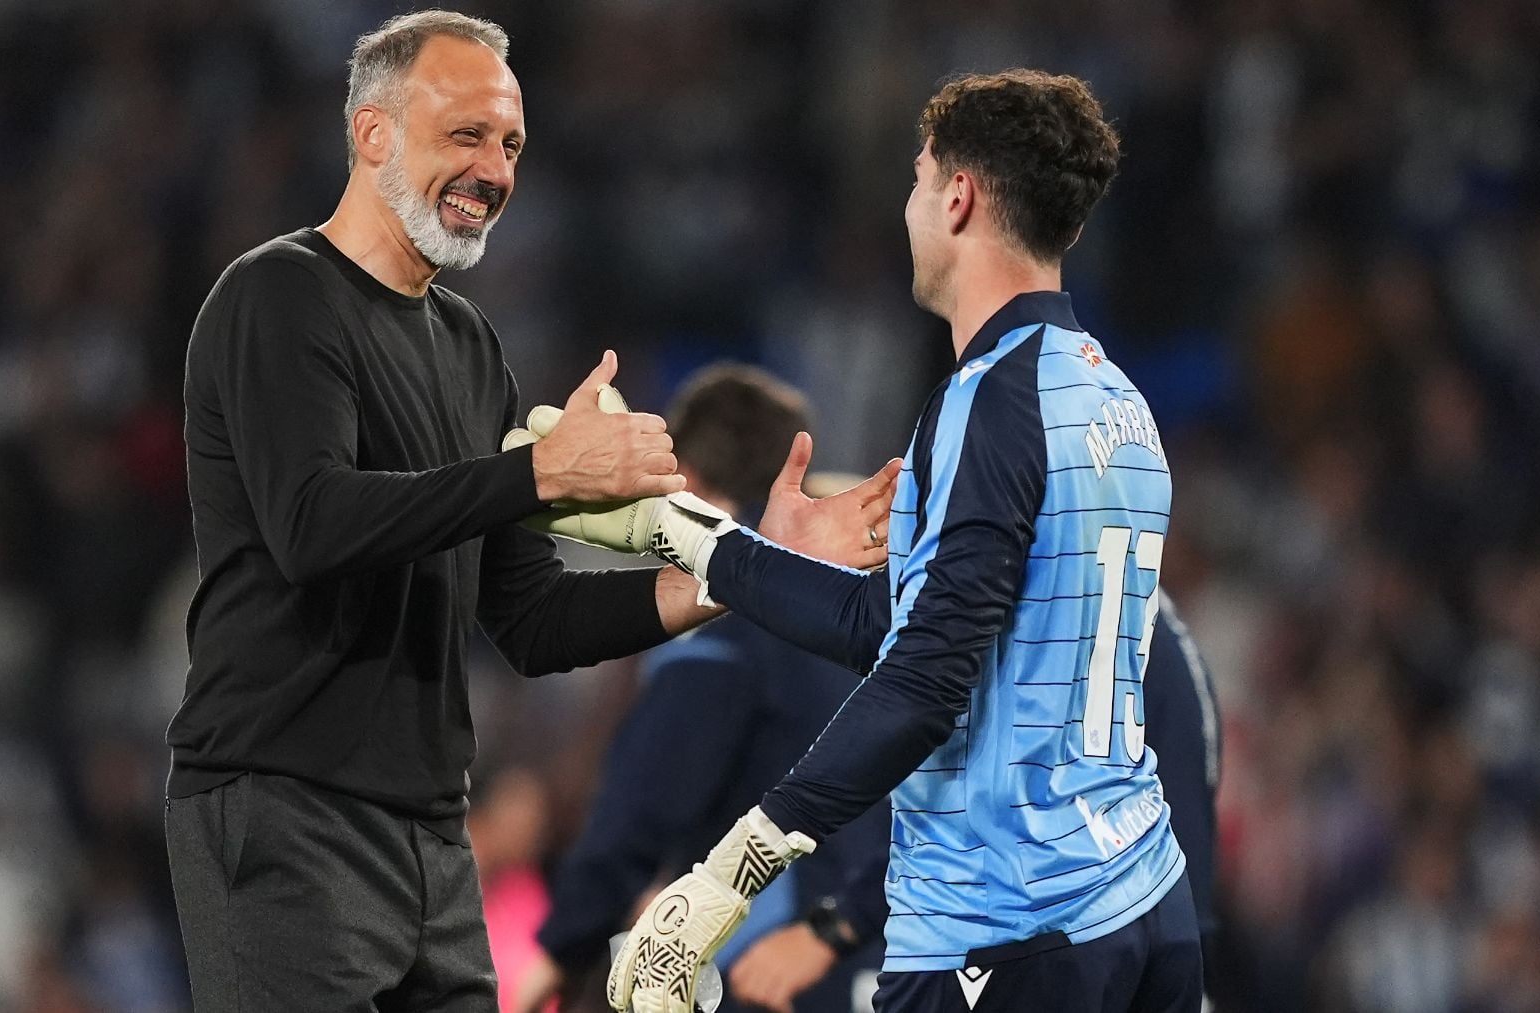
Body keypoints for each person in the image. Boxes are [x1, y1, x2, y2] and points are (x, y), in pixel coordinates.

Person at [162, 11, 891, 1011]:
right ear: (371, 133)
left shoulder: (469, 347)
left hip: (430, 833)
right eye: (465, 134)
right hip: (285, 807)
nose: (494, 170)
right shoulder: (278, 297)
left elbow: (534, 617)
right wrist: (540, 473)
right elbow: (312, 525)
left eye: (509, 144)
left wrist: (747, 568)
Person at [541, 71, 1201, 1012]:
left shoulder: (992, 400)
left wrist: (730, 873)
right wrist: (683, 532)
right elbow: (893, 626)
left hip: (1007, 927)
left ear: (958, 197)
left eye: (917, 179)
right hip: (1141, 905)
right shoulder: (1118, 402)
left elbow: (925, 681)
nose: (909, 207)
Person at [510, 366, 890, 1013]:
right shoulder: (861, 621)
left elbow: (643, 806)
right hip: (881, 956)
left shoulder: (727, 638)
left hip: (766, 970)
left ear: (682, 478)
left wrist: (563, 943)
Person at [726, 590, 1222, 1012]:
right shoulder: (1132, 608)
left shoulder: (1055, 605)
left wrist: (836, 927)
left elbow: (1001, 817)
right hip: (1140, 946)